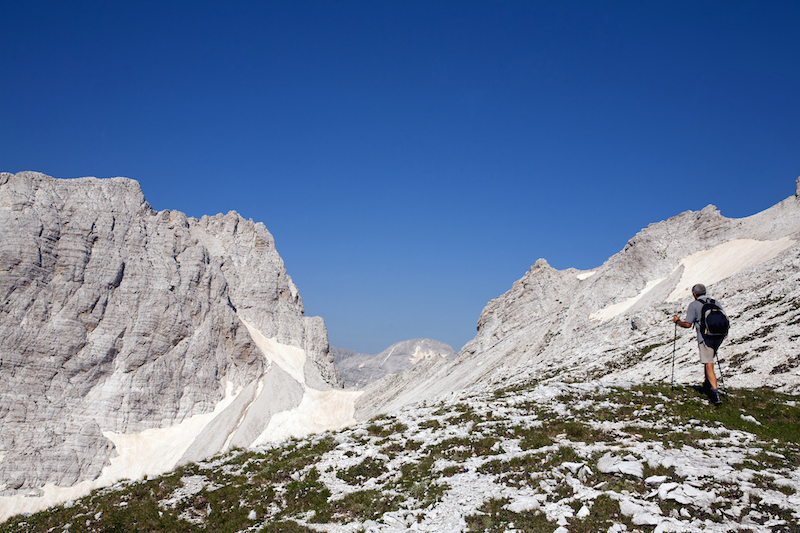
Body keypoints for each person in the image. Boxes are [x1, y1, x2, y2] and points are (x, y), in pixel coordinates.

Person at [672, 283, 723, 405]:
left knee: (708, 363)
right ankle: (707, 384)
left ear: (694, 294)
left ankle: (715, 394)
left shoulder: (694, 305)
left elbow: (688, 324)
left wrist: (677, 321)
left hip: (705, 337)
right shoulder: (715, 302)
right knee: (709, 360)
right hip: (719, 336)